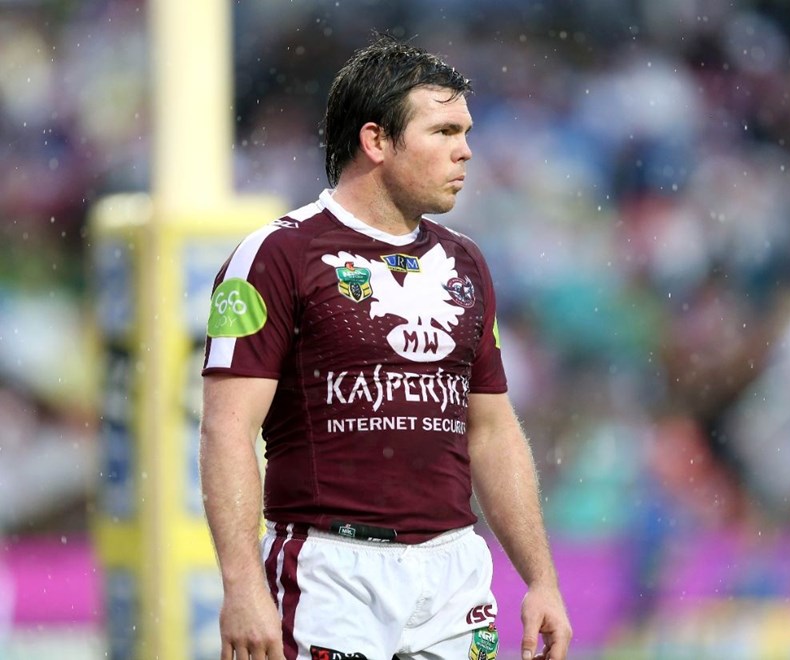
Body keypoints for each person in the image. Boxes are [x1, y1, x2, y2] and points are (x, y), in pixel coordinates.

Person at [198, 34, 571, 660]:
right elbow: (227, 430)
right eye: (444, 131)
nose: (465, 150)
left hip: (454, 573)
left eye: (466, 132)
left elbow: (492, 430)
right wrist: (241, 585)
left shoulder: (466, 263)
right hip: (330, 572)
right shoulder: (277, 255)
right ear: (376, 140)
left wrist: (542, 579)